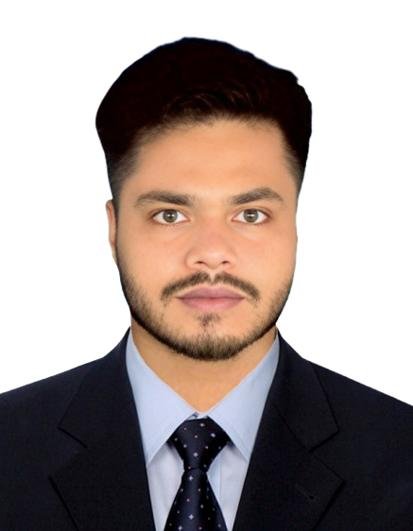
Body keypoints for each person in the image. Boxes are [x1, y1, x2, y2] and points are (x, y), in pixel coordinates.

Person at [1, 36, 412, 531]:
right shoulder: (9, 449)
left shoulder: (401, 456)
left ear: (295, 225)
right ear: (114, 229)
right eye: (170, 214)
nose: (212, 252)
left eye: (251, 214)